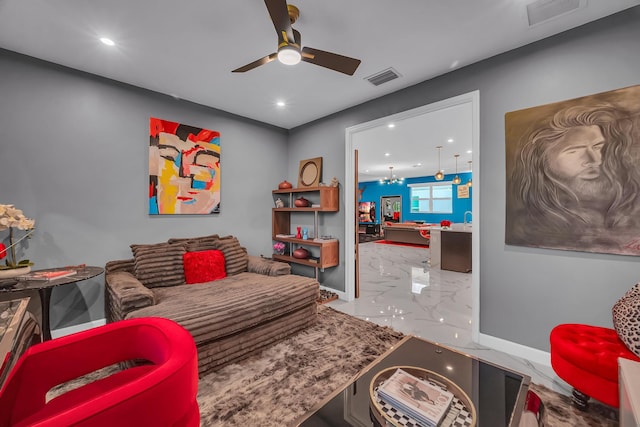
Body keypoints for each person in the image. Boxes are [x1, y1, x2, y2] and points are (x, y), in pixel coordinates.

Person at [506, 103, 640, 255]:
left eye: (597, 147)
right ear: (542, 161)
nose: (595, 160)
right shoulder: (528, 222)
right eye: (574, 151)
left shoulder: (625, 203)